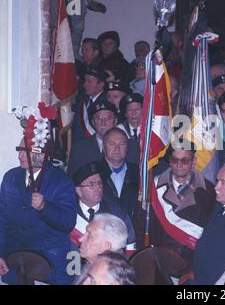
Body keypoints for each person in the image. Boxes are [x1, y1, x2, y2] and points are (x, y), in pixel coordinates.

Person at [0, 134, 77, 284]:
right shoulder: (10, 178)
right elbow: (1, 220)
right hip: (16, 262)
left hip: (49, 262)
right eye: (19, 150)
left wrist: (44, 208)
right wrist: (1, 253)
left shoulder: (62, 181)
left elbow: (68, 222)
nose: (20, 155)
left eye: (25, 151)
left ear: (41, 156)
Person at [149, 144, 216, 271]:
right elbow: (141, 225)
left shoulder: (209, 191)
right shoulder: (152, 187)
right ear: (169, 161)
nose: (179, 165)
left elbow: (212, 229)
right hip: (159, 262)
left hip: (192, 263)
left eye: (185, 160)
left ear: (194, 162)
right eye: (175, 160)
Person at [70, 162, 136, 254]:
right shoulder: (68, 213)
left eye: (99, 183)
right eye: (91, 184)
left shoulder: (116, 211)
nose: (98, 188)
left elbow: (130, 244)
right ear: (78, 191)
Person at [68, 101, 140, 176]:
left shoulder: (132, 146)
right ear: (93, 122)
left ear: (115, 121)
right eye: (99, 118)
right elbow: (73, 179)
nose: (103, 122)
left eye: (108, 118)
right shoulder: (79, 149)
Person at [97, 128, 139, 218]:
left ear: (127, 148)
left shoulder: (139, 174)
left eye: (122, 144)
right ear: (103, 147)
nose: (117, 148)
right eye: (112, 144)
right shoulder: (92, 174)